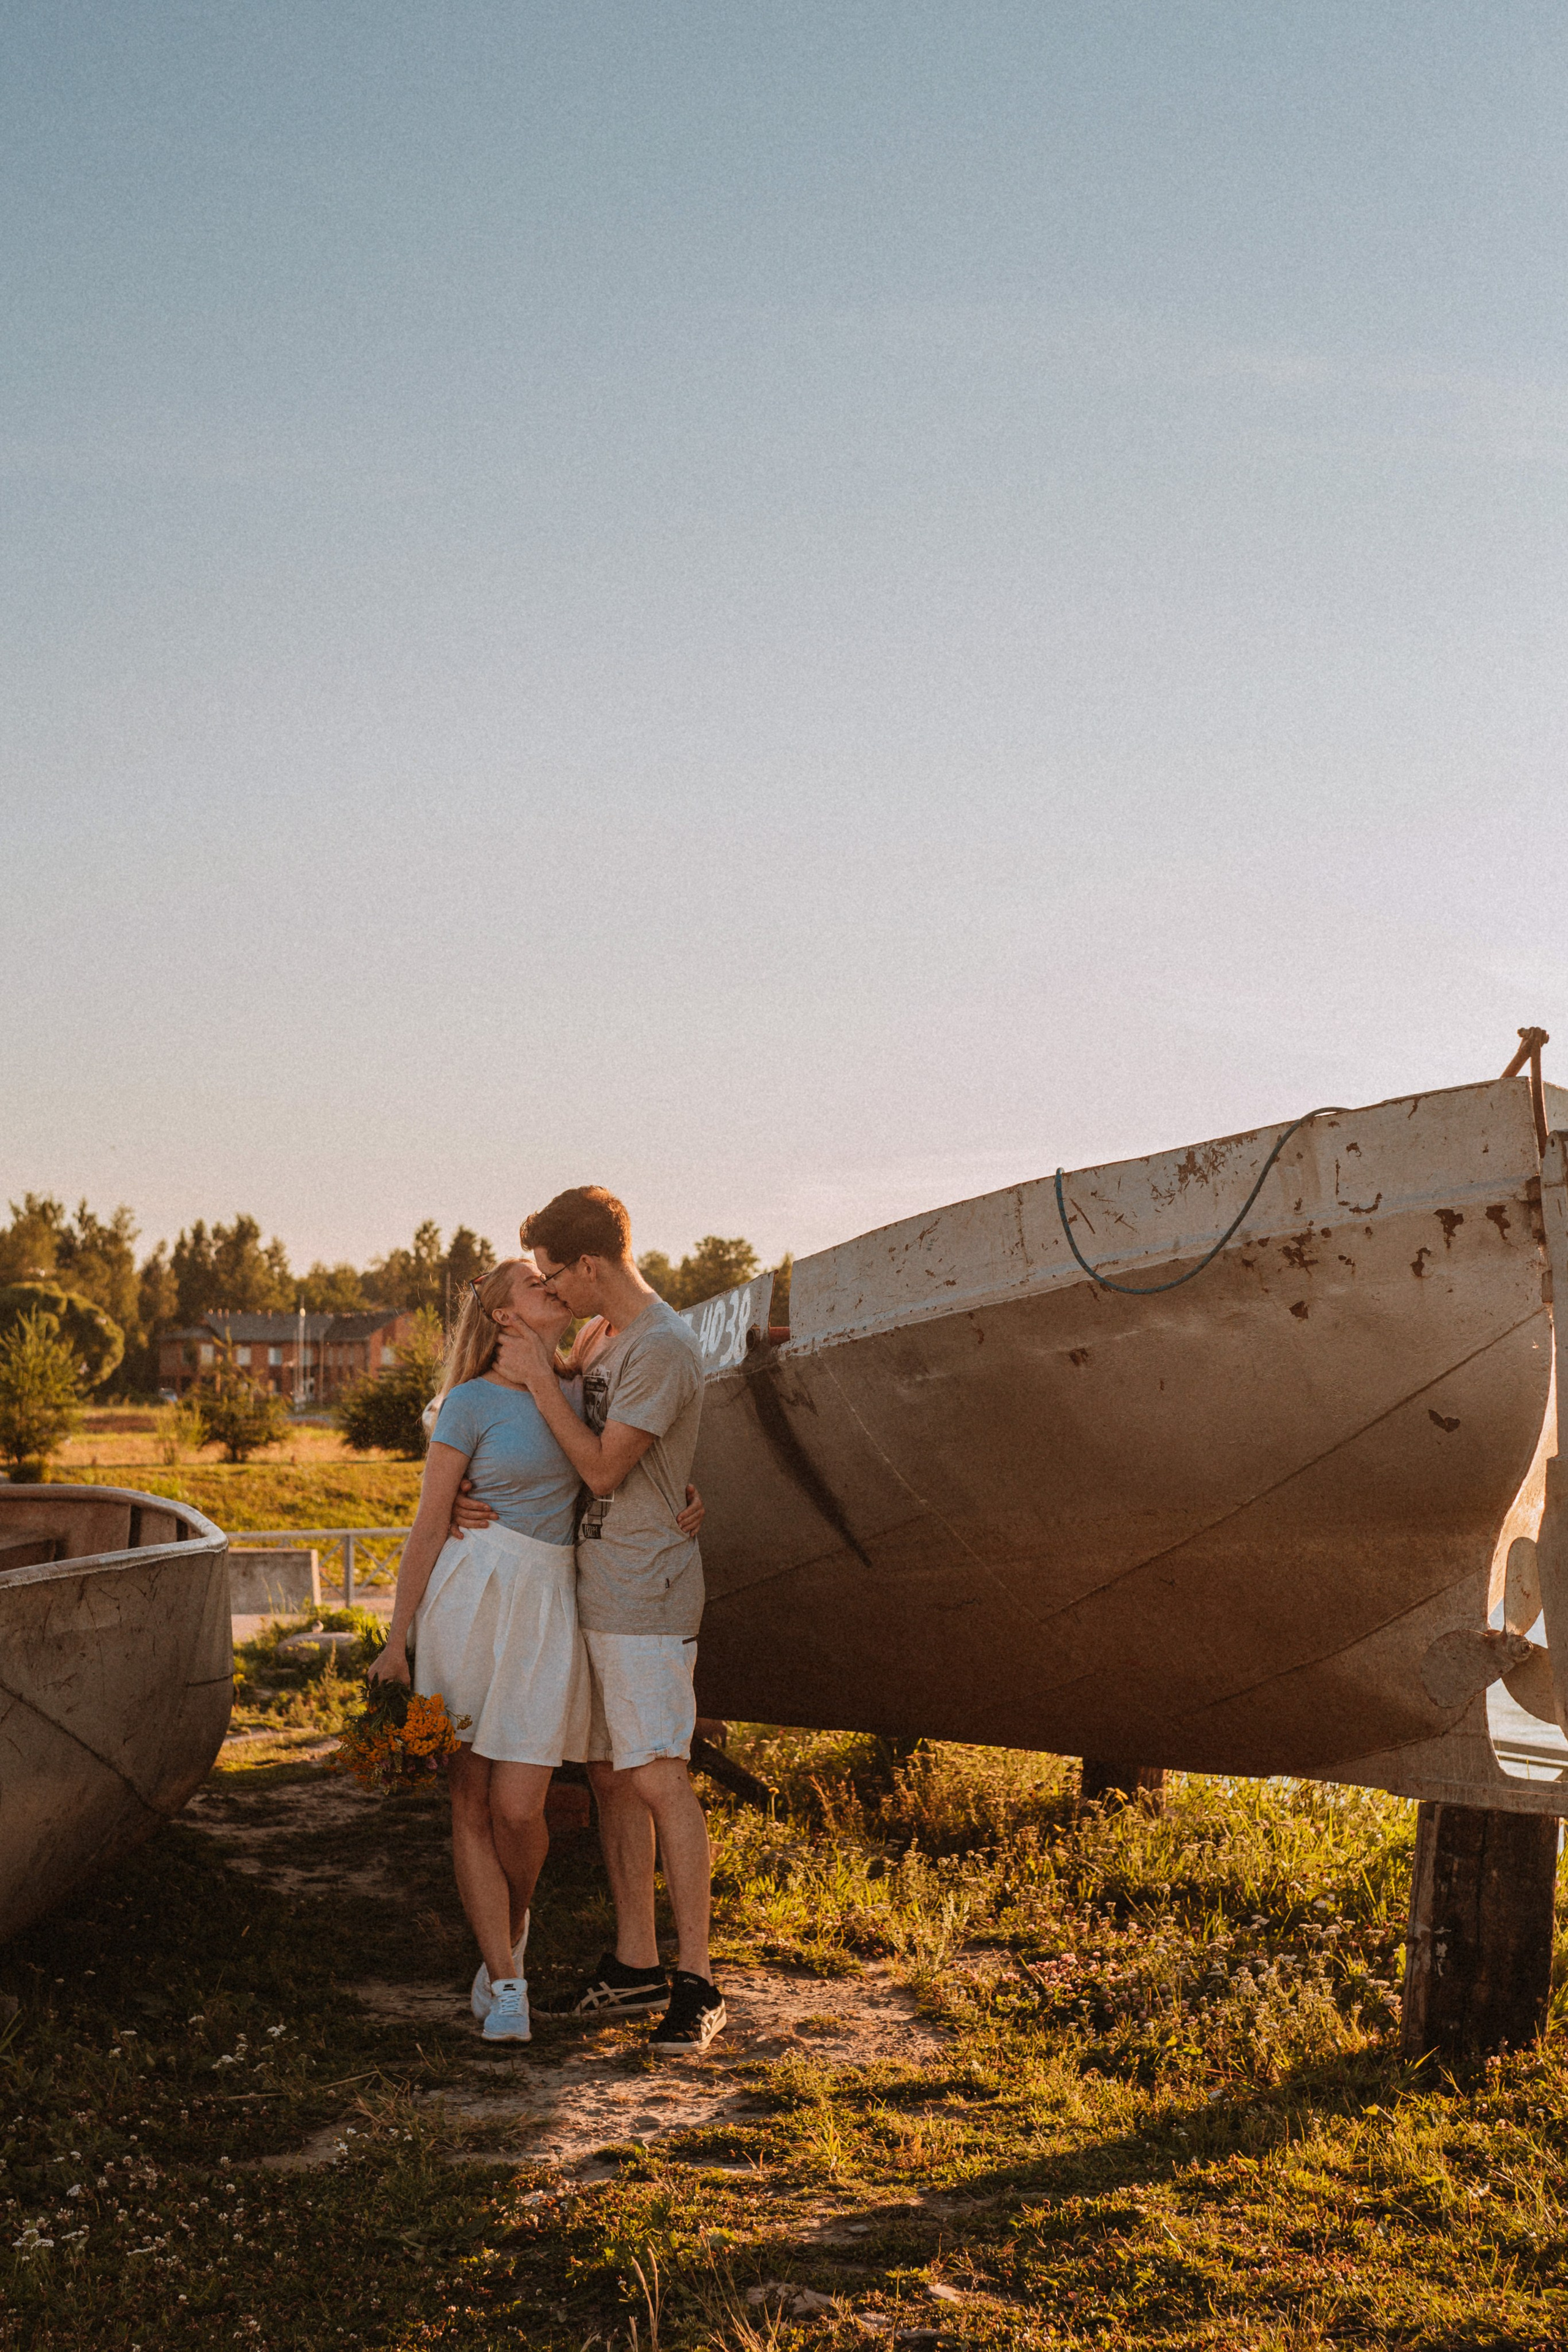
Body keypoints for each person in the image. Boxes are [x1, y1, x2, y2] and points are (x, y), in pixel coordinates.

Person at [368, 1252, 704, 2045]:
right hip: (469, 1602)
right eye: (533, 1284)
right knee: (470, 1799)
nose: (551, 1288)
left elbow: (632, 1451)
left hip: (548, 1604)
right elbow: (427, 1521)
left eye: (552, 1278)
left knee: (520, 1808)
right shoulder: (469, 1402)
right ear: (503, 1317)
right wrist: (394, 1640)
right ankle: (508, 1983)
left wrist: (684, 1493)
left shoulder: (582, 1373)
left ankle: (507, 1935)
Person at [454, 1185, 723, 2054]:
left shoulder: (663, 1347)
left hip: (644, 1595)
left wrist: (537, 1380)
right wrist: (470, 1494)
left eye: (552, 1273)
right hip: (590, 1590)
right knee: (611, 1777)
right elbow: (545, 1441)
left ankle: (700, 1982)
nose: (549, 1288)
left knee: (656, 1774)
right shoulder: (600, 1341)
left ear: (590, 1265)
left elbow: (605, 1471)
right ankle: (636, 1962)